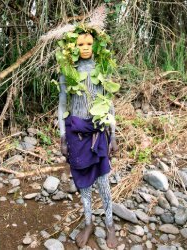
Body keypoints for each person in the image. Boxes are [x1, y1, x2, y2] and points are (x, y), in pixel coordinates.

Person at [58, 32, 119, 248]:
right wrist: (62, 137)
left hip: (98, 133)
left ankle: (110, 225)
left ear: (96, 45)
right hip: (76, 136)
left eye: (89, 43)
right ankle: (89, 222)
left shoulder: (102, 69)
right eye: (80, 43)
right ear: (72, 46)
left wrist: (113, 135)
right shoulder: (67, 72)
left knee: (103, 183)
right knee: (83, 184)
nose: (85, 47)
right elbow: (62, 106)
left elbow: (109, 104)